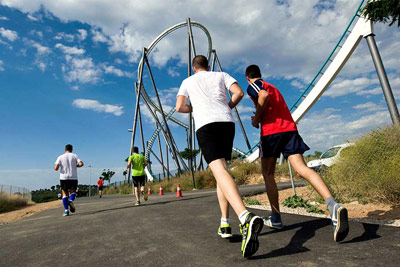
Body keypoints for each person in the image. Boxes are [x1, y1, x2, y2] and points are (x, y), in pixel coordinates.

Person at [245, 64, 349, 242]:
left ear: (248, 77)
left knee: (268, 173)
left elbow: (263, 95)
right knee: (302, 168)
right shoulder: (274, 87)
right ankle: (332, 204)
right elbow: (270, 98)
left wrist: (256, 118)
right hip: (289, 129)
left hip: (271, 132)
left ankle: (276, 217)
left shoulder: (255, 85)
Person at [176, 55, 263, 258]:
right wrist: (228, 106)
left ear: (193, 67)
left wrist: (194, 108)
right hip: (226, 123)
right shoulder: (221, 74)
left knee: (219, 170)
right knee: (221, 172)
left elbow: (179, 107)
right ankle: (225, 223)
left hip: (206, 125)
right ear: (208, 66)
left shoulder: (187, 81)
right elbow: (239, 92)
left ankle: (245, 216)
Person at [54, 144, 84, 216]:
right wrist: (76, 166)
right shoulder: (75, 156)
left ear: (65, 149)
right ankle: (70, 201)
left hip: (63, 177)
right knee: (73, 192)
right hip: (73, 177)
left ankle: (66, 211)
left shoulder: (60, 157)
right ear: (72, 149)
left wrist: (60, 167)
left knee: (64, 194)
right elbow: (81, 164)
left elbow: (56, 168)